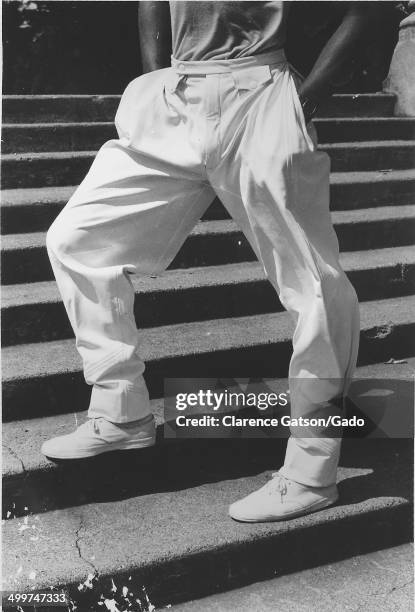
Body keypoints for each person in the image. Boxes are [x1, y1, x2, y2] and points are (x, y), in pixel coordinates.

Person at [42, 1, 381, 521]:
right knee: (77, 239)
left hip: (260, 92)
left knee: (313, 283)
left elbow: (366, 11)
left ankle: (312, 468)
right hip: (175, 98)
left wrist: (304, 99)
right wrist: (154, 77)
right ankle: (120, 409)